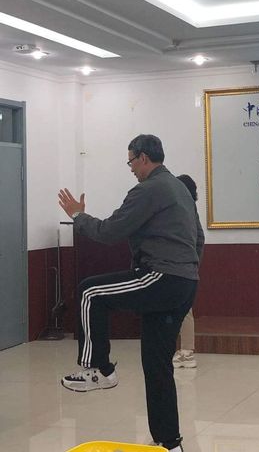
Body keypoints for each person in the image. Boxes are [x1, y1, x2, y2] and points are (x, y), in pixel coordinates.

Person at [58, 134, 203, 452]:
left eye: (131, 162)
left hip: (160, 276)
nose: (131, 169)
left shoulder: (148, 189)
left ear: (143, 158)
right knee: (157, 364)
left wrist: (78, 216)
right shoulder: (179, 188)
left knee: (89, 291)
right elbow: (199, 238)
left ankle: (99, 369)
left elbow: (110, 231)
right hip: (185, 282)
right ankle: (169, 442)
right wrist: (187, 270)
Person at [173, 174, 205, 369]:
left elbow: (199, 239)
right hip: (186, 267)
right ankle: (184, 350)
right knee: (183, 309)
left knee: (184, 310)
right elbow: (200, 239)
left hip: (179, 267)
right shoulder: (188, 209)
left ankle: (186, 352)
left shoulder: (183, 211)